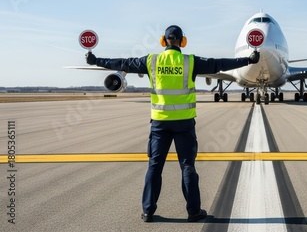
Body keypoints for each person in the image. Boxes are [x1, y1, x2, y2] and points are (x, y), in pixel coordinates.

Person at [85, 25, 259, 223]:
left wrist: (96, 61)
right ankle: (193, 212)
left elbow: (123, 63)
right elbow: (217, 64)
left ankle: (148, 211)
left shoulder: (151, 60)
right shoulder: (190, 61)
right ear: (182, 42)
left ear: (163, 40)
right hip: (184, 124)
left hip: (159, 124)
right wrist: (247, 60)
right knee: (187, 167)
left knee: (154, 167)